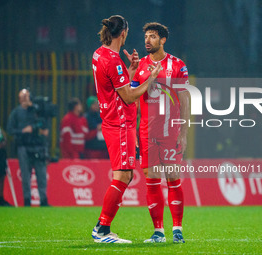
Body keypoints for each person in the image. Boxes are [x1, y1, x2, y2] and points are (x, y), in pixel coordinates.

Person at [91, 15, 161, 243]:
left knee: (127, 174)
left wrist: (130, 71)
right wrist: (150, 79)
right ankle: (102, 229)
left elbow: (115, 88)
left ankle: (103, 227)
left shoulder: (100, 54)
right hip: (120, 123)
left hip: (115, 120)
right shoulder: (111, 59)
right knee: (122, 175)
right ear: (124, 33)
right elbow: (129, 97)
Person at [131, 22, 190, 243]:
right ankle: (159, 232)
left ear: (163, 40)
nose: (147, 40)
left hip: (171, 132)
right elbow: (132, 97)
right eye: (146, 36)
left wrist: (184, 133)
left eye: (153, 36)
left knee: (173, 178)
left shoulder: (177, 65)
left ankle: (177, 230)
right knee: (152, 180)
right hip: (147, 133)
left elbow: (184, 98)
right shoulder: (140, 66)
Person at [7, 89, 49, 206]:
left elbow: (44, 124)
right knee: (26, 174)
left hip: (38, 145)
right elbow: (10, 129)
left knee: (41, 174)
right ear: (19, 98)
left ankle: (43, 200)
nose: (25, 98)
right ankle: (27, 200)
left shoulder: (36, 110)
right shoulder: (16, 112)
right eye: (23, 96)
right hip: (23, 146)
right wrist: (22, 131)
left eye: (27, 95)